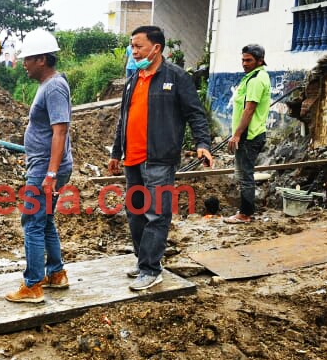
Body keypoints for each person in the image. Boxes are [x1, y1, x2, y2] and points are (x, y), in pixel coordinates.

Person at [108, 26, 213, 291]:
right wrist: (115, 153)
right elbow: (125, 118)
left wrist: (202, 143)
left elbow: (195, 114)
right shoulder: (134, 78)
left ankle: (151, 269)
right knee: (135, 213)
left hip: (159, 160)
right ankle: (144, 261)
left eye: (138, 46)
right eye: (132, 46)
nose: (134, 51)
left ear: (156, 48)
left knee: (157, 215)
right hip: (132, 160)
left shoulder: (176, 77)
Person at [5, 29, 73, 304]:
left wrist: (51, 174)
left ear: (42, 59)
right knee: (44, 221)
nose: (24, 64)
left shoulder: (54, 86)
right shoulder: (48, 86)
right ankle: (56, 273)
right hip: (45, 166)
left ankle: (33, 285)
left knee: (32, 222)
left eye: (28, 59)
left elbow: (60, 131)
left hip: (46, 168)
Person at [224, 44, 271, 224]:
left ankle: (245, 214)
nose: (244, 63)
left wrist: (236, 135)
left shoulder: (256, 80)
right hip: (250, 133)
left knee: (245, 176)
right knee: (245, 174)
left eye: (249, 60)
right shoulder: (253, 77)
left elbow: (249, 110)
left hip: (249, 136)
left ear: (259, 61)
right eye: (243, 59)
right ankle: (246, 211)